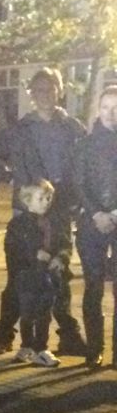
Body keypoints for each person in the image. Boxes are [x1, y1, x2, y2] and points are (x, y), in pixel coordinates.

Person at [0, 67, 87, 356]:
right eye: (38, 90)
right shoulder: (20, 130)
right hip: (26, 216)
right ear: (31, 94)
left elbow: (86, 163)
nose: (45, 94)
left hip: (59, 212)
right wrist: (7, 177)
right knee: (19, 277)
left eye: (50, 88)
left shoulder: (72, 128)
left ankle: (68, 336)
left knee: (58, 273)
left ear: (59, 91)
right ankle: (5, 334)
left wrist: (79, 196)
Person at [73, 84, 117, 369]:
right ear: (98, 110)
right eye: (105, 108)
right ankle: (94, 348)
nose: (110, 114)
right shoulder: (86, 144)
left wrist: (114, 213)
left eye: (116, 108)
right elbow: (79, 183)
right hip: (91, 225)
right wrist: (96, 213)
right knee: (93, 287)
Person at [5, 179, 70, 367]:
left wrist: (61, 258)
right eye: (40, 198)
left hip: (49, 276)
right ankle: (29, 346)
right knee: (27, 312)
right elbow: (12, 249)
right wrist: (34, 254)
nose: (46, 202)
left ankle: (40, 347)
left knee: (44, 312)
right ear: (27, 201)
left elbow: (64, 243)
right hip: (27, 276)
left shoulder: (54, 222)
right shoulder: (18, 224)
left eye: (48, 197)